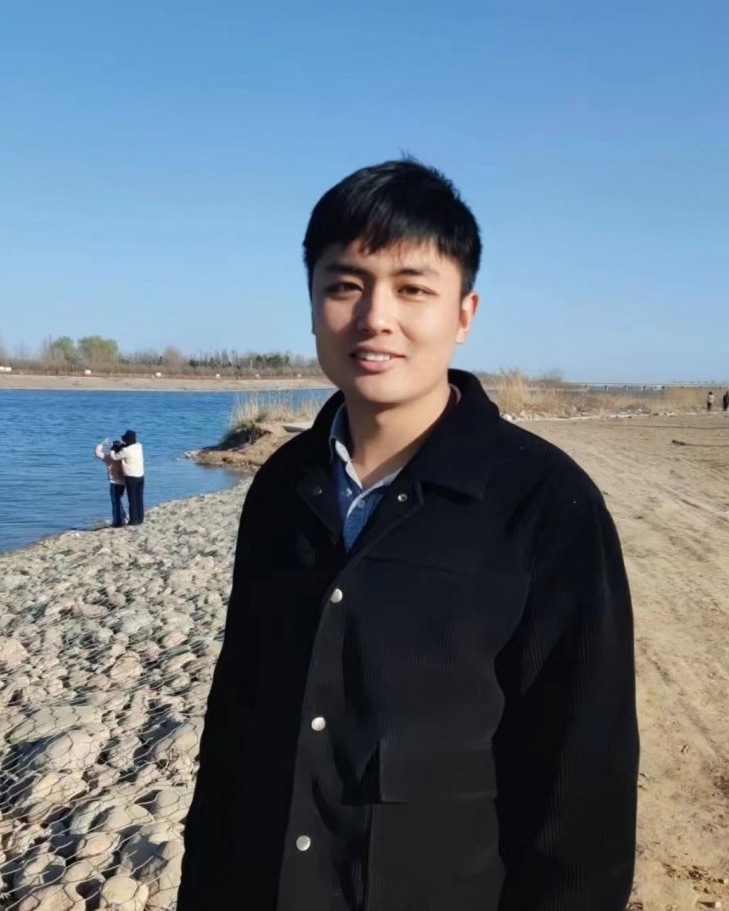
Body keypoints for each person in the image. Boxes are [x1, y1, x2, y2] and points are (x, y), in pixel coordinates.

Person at [178, 160, 639, 911]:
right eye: (345, 285)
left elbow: (582, 791)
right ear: (312, 303)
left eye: (413, 288)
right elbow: (234, 726)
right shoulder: (281, 487)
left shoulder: (546, 505)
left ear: (464, 313)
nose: (375, 317)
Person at [110, 429, 144, 525]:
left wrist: (113, 449)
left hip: (131, 477)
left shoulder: (126, 451)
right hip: (140, 475)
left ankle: (134, 520)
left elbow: (114, 457)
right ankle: (140, 518)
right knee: (139, 498)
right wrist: (122, 445)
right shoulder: (139, 446)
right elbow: (128, 446)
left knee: (132, 499)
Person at [94, 438, 127, 527]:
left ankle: (117, 521)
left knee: (115, 502)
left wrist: (102, 443)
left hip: (114, 482)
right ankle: (123, 517)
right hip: (124, 481)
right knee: (119, 500)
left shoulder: (109, 458)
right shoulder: (123, 457)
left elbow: (97, 453)